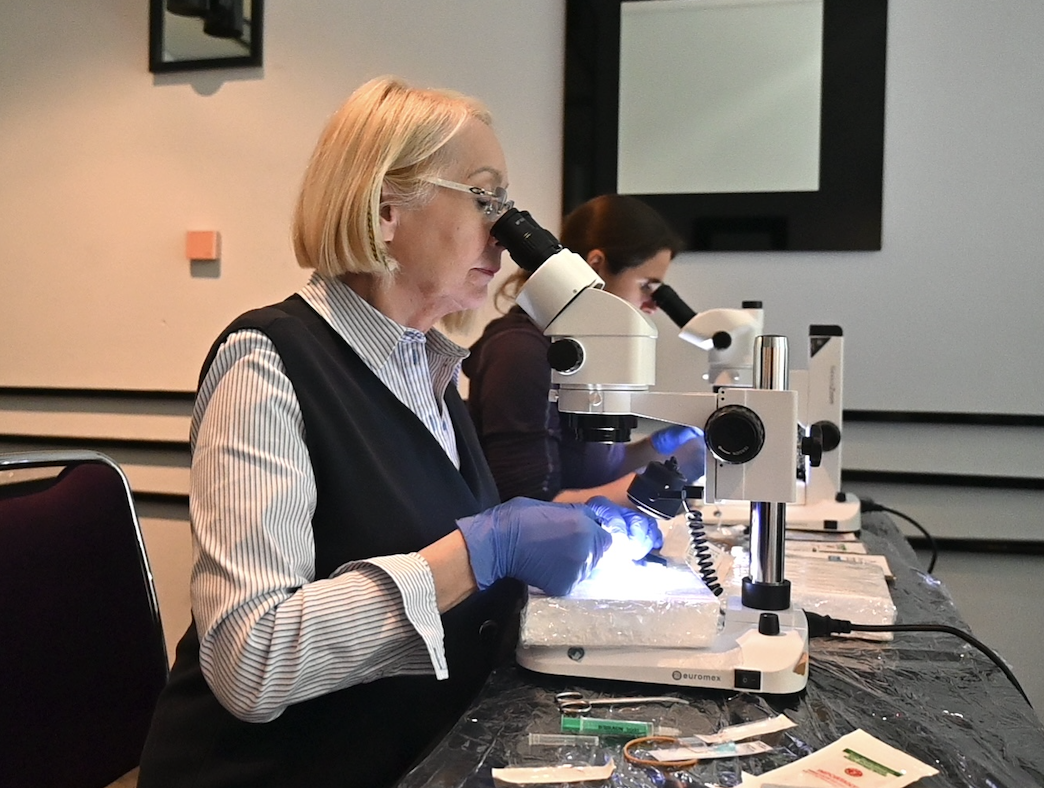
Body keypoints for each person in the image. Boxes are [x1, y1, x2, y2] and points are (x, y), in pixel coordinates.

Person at [136, 76, 661, 788]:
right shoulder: (267, 361)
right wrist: (482, 549)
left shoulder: (429, 369)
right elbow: (250, 660)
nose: (505, 237)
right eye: (486, 200)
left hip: (421, 755)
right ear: (386, 211)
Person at [464, 194, 706, 506]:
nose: (652, 306)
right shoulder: (521, 353)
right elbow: (528, 503)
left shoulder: (586, 348)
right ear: (596, 266)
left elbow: (594, 470)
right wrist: (652, 489)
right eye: (647, 286)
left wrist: (657, 449)